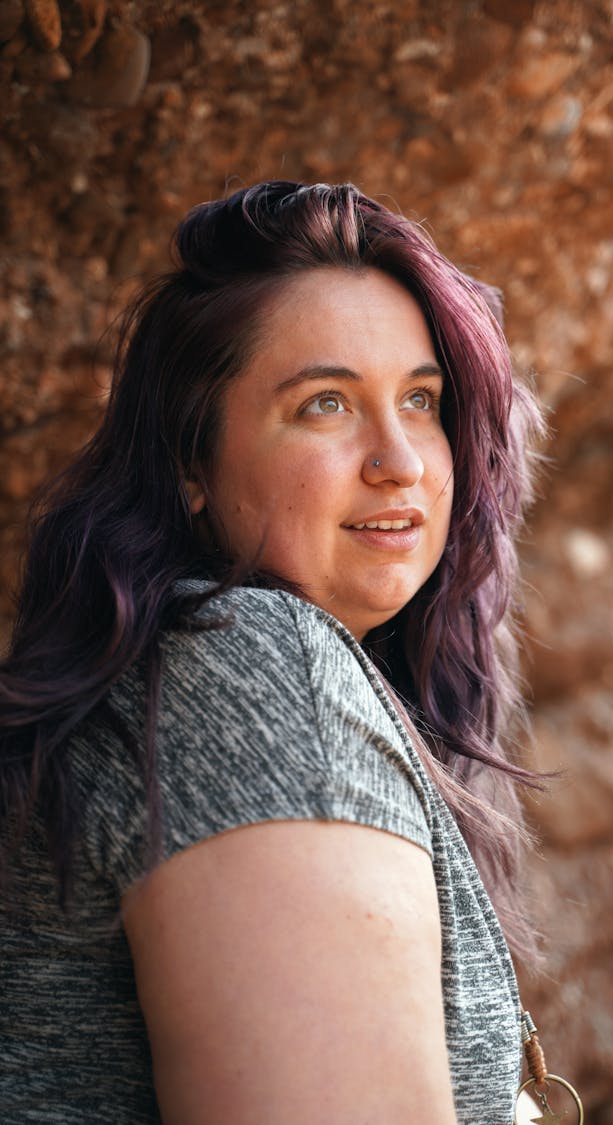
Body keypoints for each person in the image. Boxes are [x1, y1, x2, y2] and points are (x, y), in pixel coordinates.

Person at [0, 181, 543, 1124]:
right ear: (191, 464)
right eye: (326, 403)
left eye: (421, 399)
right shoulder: (259, 666)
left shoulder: (210, 667)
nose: (402, 461)